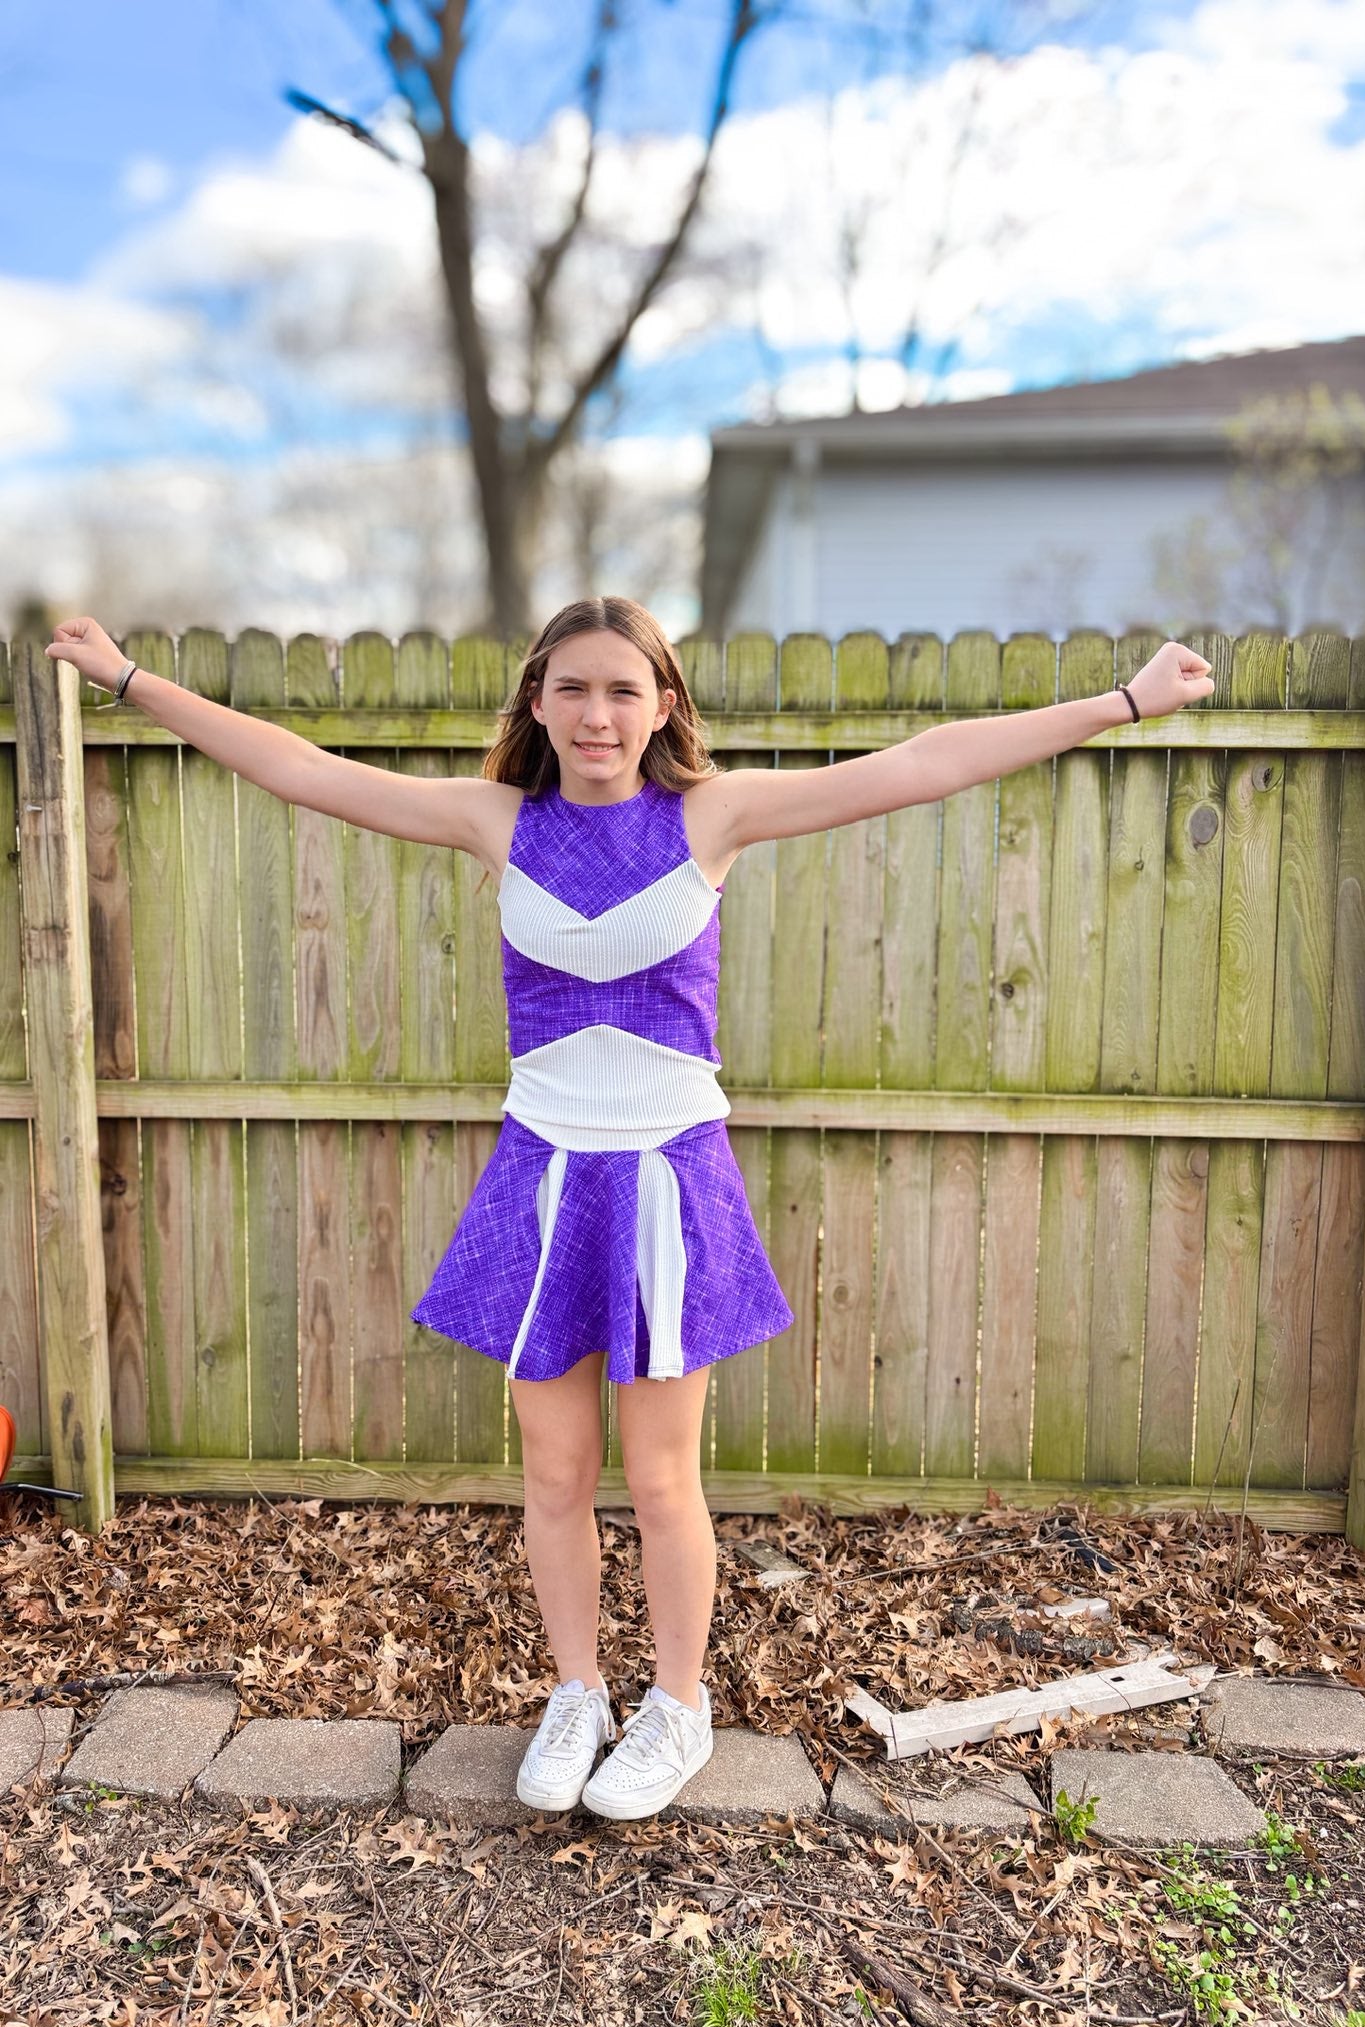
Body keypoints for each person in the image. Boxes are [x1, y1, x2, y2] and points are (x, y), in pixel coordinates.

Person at [44, 601, 1214, 1821]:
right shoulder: (495, 821)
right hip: (542, 1176)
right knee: (553, 1472)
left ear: (661, 705)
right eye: (571, 688)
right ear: (536, 703)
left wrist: (1123, 702)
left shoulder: (712, 816)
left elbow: (925, 763)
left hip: (666, 1177)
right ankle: (576, 1691)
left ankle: (677, 1706)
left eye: (620, 689)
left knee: (660, 1477)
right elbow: (301, 768)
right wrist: (128, 679)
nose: (595, 714)